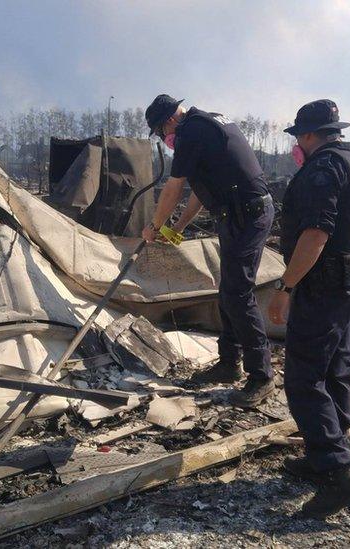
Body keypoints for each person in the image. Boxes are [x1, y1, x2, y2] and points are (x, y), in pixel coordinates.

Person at [267, 99, 350, 518]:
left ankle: (338, 476)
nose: (298, 146)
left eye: (298, 138)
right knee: (337, 369)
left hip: (323, 285)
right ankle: (327, 449)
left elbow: (315, 233)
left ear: (309, 135)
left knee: (304, 378)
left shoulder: (321, 169)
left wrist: (286, 286)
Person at [142, 94, 275, 407]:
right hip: (239, 214)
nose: (164, 140)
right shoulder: (205, 124)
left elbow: (174, 188)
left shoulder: (192, 131)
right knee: (229, 289)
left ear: (169, 121)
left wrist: (156, 226)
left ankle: (262, 376)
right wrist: (178, 228)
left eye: (161, 133)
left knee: (238, 293)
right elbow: (200, 193)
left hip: (248, 214)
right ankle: (229, 364)